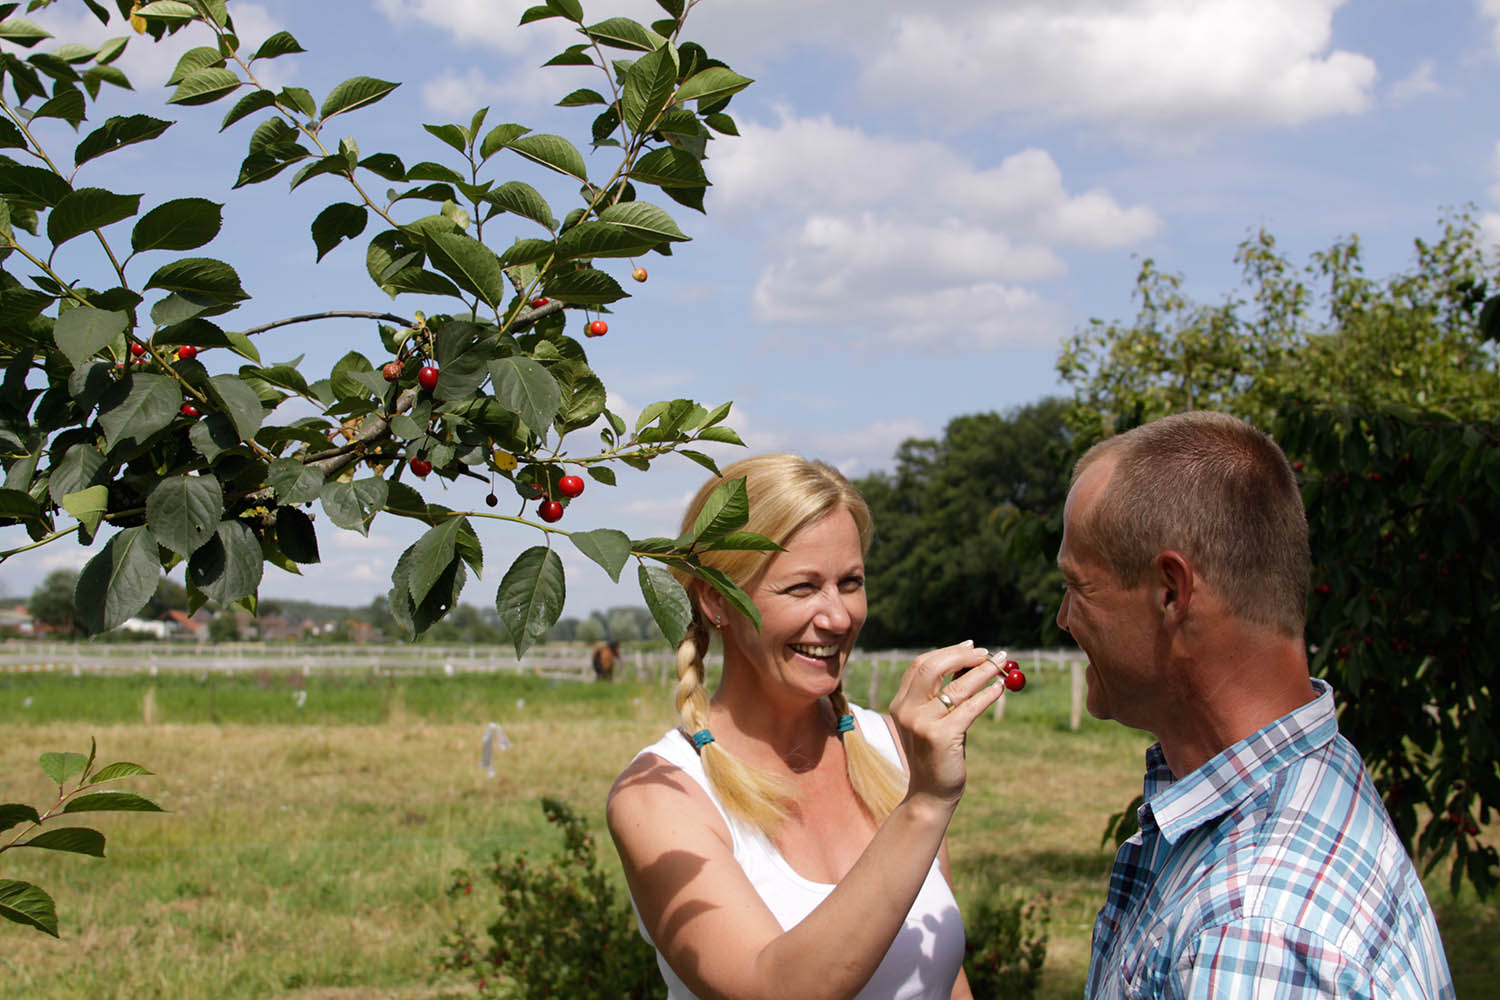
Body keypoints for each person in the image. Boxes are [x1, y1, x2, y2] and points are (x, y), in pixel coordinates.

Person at [1057, 411, 1455, 999]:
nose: (1065, 618)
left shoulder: (1251, 931)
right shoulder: (1313, 775)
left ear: (1171, 592)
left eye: (1078, 588)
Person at [607, 453, 1008, 999]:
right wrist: (926, 804)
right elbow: (773, 989)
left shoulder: (891, 747)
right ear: (715, 598)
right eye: (801, 588)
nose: (838, 617)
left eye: (850, 582)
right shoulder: (659, 795)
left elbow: (942, 972)